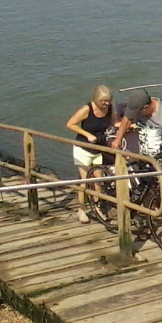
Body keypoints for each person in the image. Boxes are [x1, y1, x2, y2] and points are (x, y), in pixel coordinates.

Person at [110, 88, 162, 234]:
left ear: (146, 107)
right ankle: (148, 224)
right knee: (149, 191)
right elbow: (126, 121)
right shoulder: (136, 108)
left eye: (139, 113)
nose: (135, 116)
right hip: (146, 159)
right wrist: (117, 139)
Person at [65, 85, 116, 224]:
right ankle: (81, 210)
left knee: (98, 180)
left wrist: (127, 125)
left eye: (109, 101)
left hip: (99, 147)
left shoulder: (109, 109)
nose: (106, 104)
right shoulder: (87, 109)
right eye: (104, 101)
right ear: (96, 99)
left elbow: (114, 122)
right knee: (85, 181)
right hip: (83, 148)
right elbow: (70, 124)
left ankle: (97, 205)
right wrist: (87, 135)